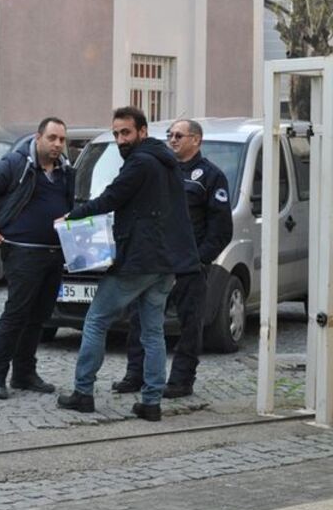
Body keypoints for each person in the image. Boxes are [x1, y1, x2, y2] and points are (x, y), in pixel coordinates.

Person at [56, 107, 199, 421]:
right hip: (165, 262)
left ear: (142, 132)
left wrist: (73, 216)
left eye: (127, 133)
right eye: (117, 133)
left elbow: (111, 197)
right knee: (152, 332)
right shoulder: (167, 162)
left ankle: (83, 393)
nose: (121, 139)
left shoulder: (140, 163)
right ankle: (151, 402)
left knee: (95, 321)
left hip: (140, 260)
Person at [112, 119, 233, 398]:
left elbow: (221, 229)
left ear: (196, 140)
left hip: (189, 265)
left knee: (189, 324)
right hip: (155, 261)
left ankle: (181, 379)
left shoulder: (210, 176)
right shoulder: (160, 170)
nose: (173, 140)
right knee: (141, 320)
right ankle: (135, 374)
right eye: (170, 135)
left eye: (179, 135)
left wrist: (199, 260)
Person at [0, 117, 73, 399]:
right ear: (38, 137)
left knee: (39, 317)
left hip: (54, 254)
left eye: (62, 140)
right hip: (23, 252)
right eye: (52, 138)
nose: (57, 145)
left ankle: (24, 373)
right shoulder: (16, 164)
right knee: (16, 314)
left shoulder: (66, 171)